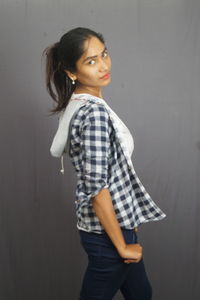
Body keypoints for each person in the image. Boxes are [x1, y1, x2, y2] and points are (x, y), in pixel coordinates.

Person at [42, 27, 166, 300]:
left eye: (104, 55)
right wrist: (122, 246)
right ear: (72, 72)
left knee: (141, 294)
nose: (103, 66)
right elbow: (97, 188)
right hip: (109, 237)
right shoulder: (94, 114)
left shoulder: (79, 105)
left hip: (116, 228)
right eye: (91, 61)